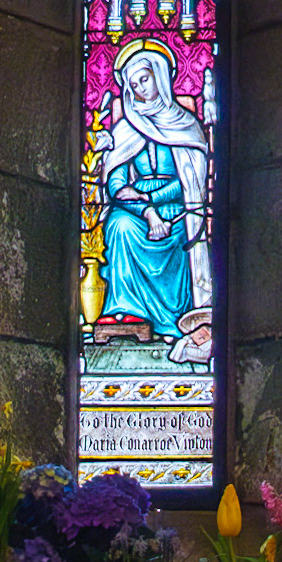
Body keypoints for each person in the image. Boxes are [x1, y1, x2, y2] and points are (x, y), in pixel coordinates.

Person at [99, 39, 212, 339]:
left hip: (177, 209)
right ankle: (126, 311)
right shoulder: (126, 129)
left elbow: (189, 182)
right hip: (137, 211)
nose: (139, 90)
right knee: (119, 226)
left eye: (145, 80)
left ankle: (176, 320)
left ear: (160, 76)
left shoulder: (185, 124)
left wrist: (152, 198)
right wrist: (147, 211)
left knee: (182, 232)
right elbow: (117, 183)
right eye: (133, 85)